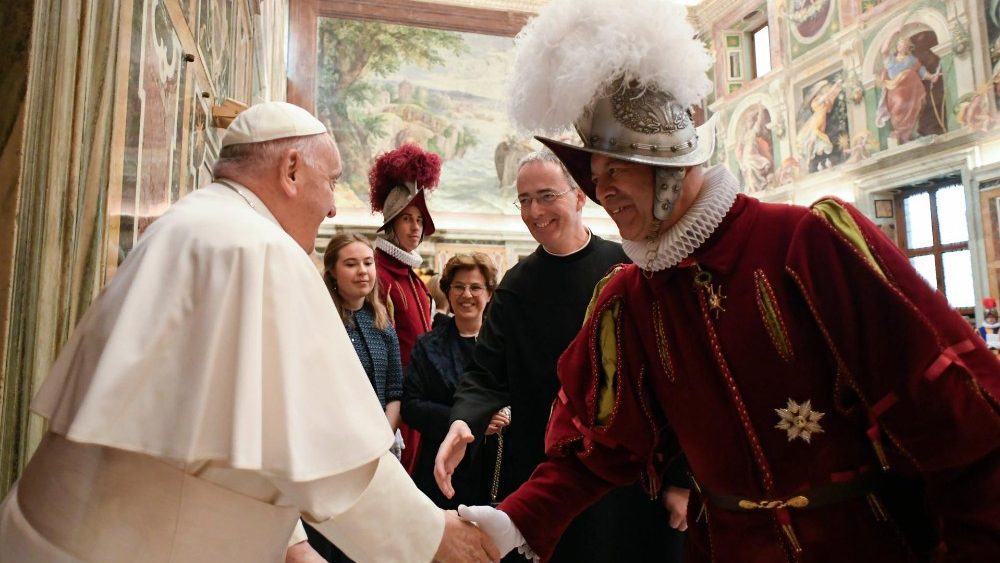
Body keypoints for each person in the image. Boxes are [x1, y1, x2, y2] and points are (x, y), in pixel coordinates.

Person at [456, 2, 1000, 562]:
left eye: (615, 168)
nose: (603, 191)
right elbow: (598, 449)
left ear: (668, 158)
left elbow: (956, 416)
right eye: (594, 178)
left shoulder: (805, 243)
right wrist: (508, 523)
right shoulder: (628, 300)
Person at [0, 101, 499, 563]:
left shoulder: (193, 224)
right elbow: (331, 452)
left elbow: (234, 424)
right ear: (290, 170)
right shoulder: (259, 249)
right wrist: (434, 537)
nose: (330, 208)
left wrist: (293, 544)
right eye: (330, 182)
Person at [434, 150, 685, 562]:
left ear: (580, 196)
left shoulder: (628, 268)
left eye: (546, 195)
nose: (534, 211)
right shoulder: (516, 287)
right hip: (548, 473)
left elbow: (671, 377)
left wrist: (679, 480)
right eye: (525, 200)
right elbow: (484, 373)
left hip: (630, 478)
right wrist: (463, 421)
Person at [304, 233, 405, 562]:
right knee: (326, 540)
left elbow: (394, 390)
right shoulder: (318, 321)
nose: (363, 271)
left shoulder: (381, 320)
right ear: (332, 270)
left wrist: (381, 440)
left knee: (366, 545)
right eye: (351, 264)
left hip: (375, 454)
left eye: (368, 262)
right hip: (329, 455)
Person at [403, 253, 503, 509]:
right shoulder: (428, 346)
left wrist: (508, 414)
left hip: (495, 470)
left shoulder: (506, 345)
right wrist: (471, 421)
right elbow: (411, 406)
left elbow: (524, 395)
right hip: (441, 468)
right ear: (448, 292)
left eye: (475, 287)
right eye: (458, 287)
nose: (466, 294)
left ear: (489, 293)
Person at [370, 143, 440, 474]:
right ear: (392, 221)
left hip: (416, 405)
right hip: (389, 407)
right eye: (407, 219)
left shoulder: (414, 279)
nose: (415, 228)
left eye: (419, 220)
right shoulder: (378, 274)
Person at [876, 35, 942, 144]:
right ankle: (900, 132)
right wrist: (892, 32)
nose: (903, 47)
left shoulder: (912, 60)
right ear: (897, 47)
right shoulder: (891, 60)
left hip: (913, 90)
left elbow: (921, 71)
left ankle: (912, 131)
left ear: (908, 47)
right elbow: (884, 50)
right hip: (896, 90)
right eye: (901, 45)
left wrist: (931, 77)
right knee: (899, 105)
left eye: (905, 45)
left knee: (915, 107)